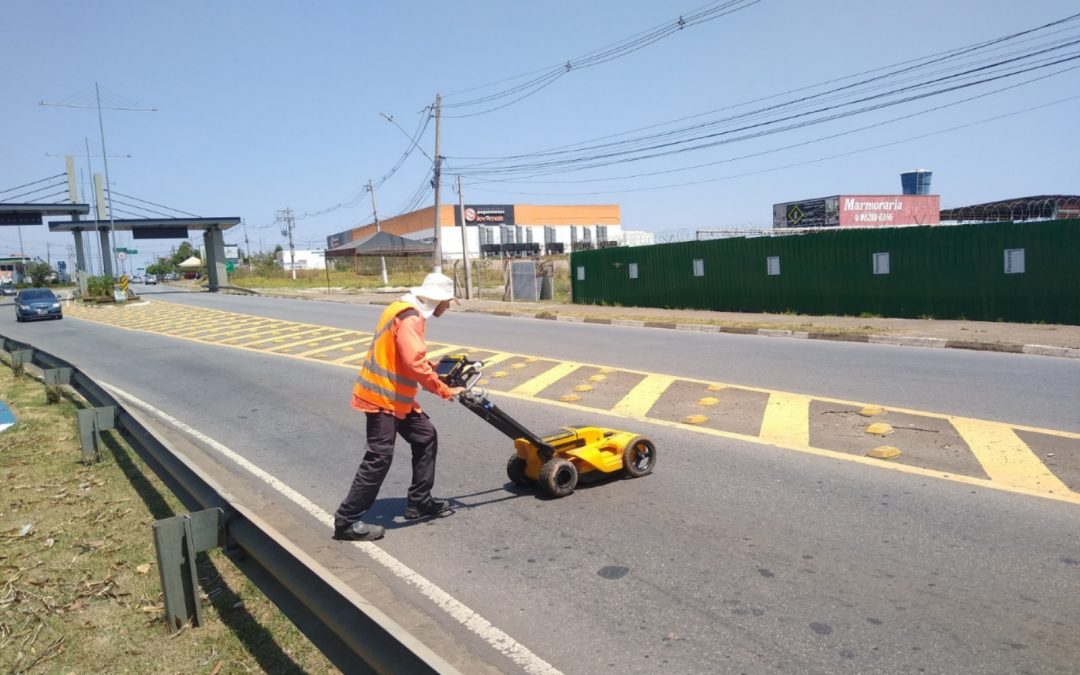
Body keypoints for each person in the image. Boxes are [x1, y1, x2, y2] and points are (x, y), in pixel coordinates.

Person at [333, 272, 464, 541]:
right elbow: (414, 363)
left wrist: (434, 372)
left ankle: (419, 502)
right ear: (436, 299)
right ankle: (346, 520)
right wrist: (443, 390)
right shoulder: (410, 317)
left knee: (425, 436)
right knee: (379, 457)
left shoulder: (402, 308)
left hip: (397, 398)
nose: (448, 306)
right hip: (382, 397)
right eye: (447, 301)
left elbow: (408, 359)